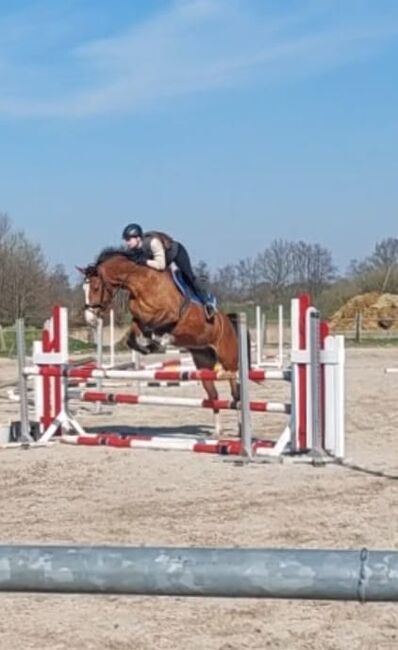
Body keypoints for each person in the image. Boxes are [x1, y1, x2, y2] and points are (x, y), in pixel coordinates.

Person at [121, 223, 216, 319]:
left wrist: (145, 261)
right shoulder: (133, 250)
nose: (127, 243)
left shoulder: (153, 242)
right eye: (126, 240)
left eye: (129, 240)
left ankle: (208, 301)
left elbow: (161, 265)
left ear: (138, 238)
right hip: (161, 260)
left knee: (188, 277)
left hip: (176, 253)